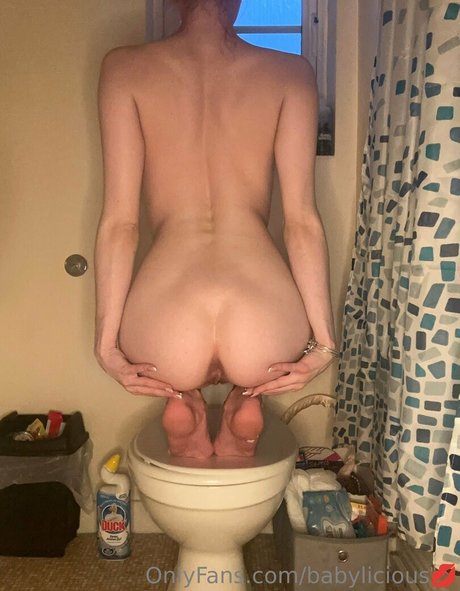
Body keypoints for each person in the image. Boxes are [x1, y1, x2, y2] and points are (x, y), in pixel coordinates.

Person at [93, 0, 338, 459]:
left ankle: (183, 400)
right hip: (263, 316)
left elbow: (120, 225)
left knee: (174, 383)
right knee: (256, 378)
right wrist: (324, 345)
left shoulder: (124, 68)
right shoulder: (291, 72)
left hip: (166, 318)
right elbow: (302, 223)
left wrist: (106, 346)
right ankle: (245, 401)